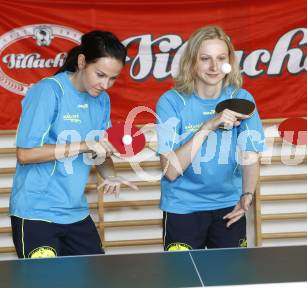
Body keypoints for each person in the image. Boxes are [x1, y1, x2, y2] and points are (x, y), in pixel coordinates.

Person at [10, 30, 138, 258]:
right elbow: (25, 154)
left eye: (113, 78)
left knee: (97, 276)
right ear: (81, 62)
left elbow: (99, 149)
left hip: (76, 213)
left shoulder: (102, 100)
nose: (106, 84)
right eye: (100, 74)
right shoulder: (48, 91)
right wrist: (85, 145)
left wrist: (109, 174)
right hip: (36, 213)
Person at [156, 25, 265, 251]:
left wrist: (247, 194)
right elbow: (171, 170)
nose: (214, 67)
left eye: (221, 58)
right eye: (205, 58)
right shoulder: (171, 102)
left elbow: (250, 156)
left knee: (230, 282)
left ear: (229, 61)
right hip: (182, 208)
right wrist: (209, 125)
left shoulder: (242, 98)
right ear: (192, 62)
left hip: (229, 207)